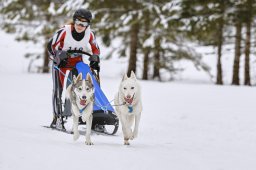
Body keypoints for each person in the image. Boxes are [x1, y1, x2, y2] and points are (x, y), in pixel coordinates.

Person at [47, 9, 100, 129]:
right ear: (74, 21)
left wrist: (95, 58)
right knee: (59, 89)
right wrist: (58, 55)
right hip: (61, 63)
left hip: (77, 62)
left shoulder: (90, 34)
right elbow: (51, 46)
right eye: (78, 22)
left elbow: (96, 48)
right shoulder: (64, 31)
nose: (81, 26)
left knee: (83, 88)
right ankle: (57, 118)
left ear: (88, 24)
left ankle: (89, 116)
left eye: (84, 23)